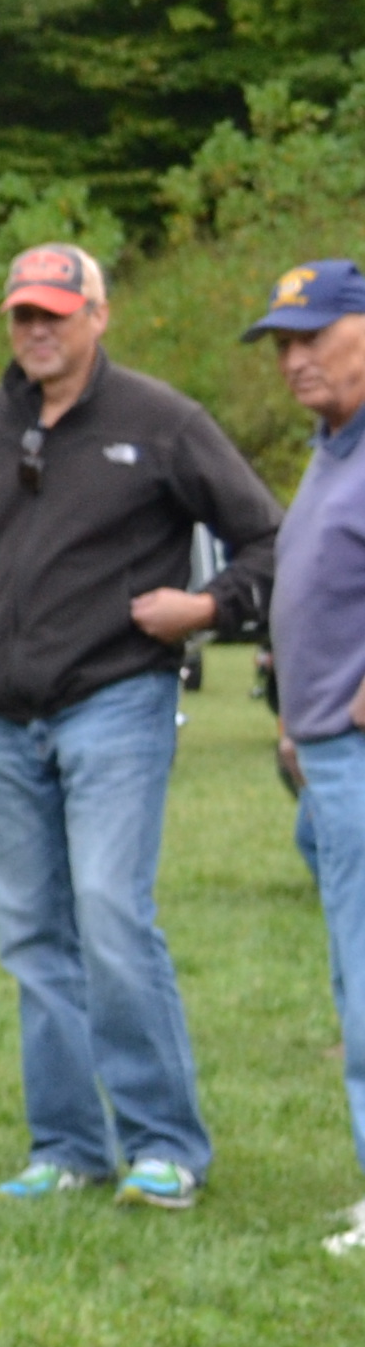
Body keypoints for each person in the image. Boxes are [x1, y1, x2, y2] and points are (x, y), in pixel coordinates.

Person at [0, 242, 282, 1208]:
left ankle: (164, 1148)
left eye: (55, 312)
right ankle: (69, 1149)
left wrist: (207, 608)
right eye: (23, 315)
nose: (38, 329)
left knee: (112, 913)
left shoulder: (162, 422)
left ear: (99, 317)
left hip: (117, 701)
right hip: (3, 721)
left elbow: (268, 536)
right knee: (34, 934)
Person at [248, 259, 365, 1260]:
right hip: (325, 752)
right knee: (349, 971)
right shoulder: (334, 447)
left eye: (314, 336)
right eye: (283, 343)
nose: (294, 360)